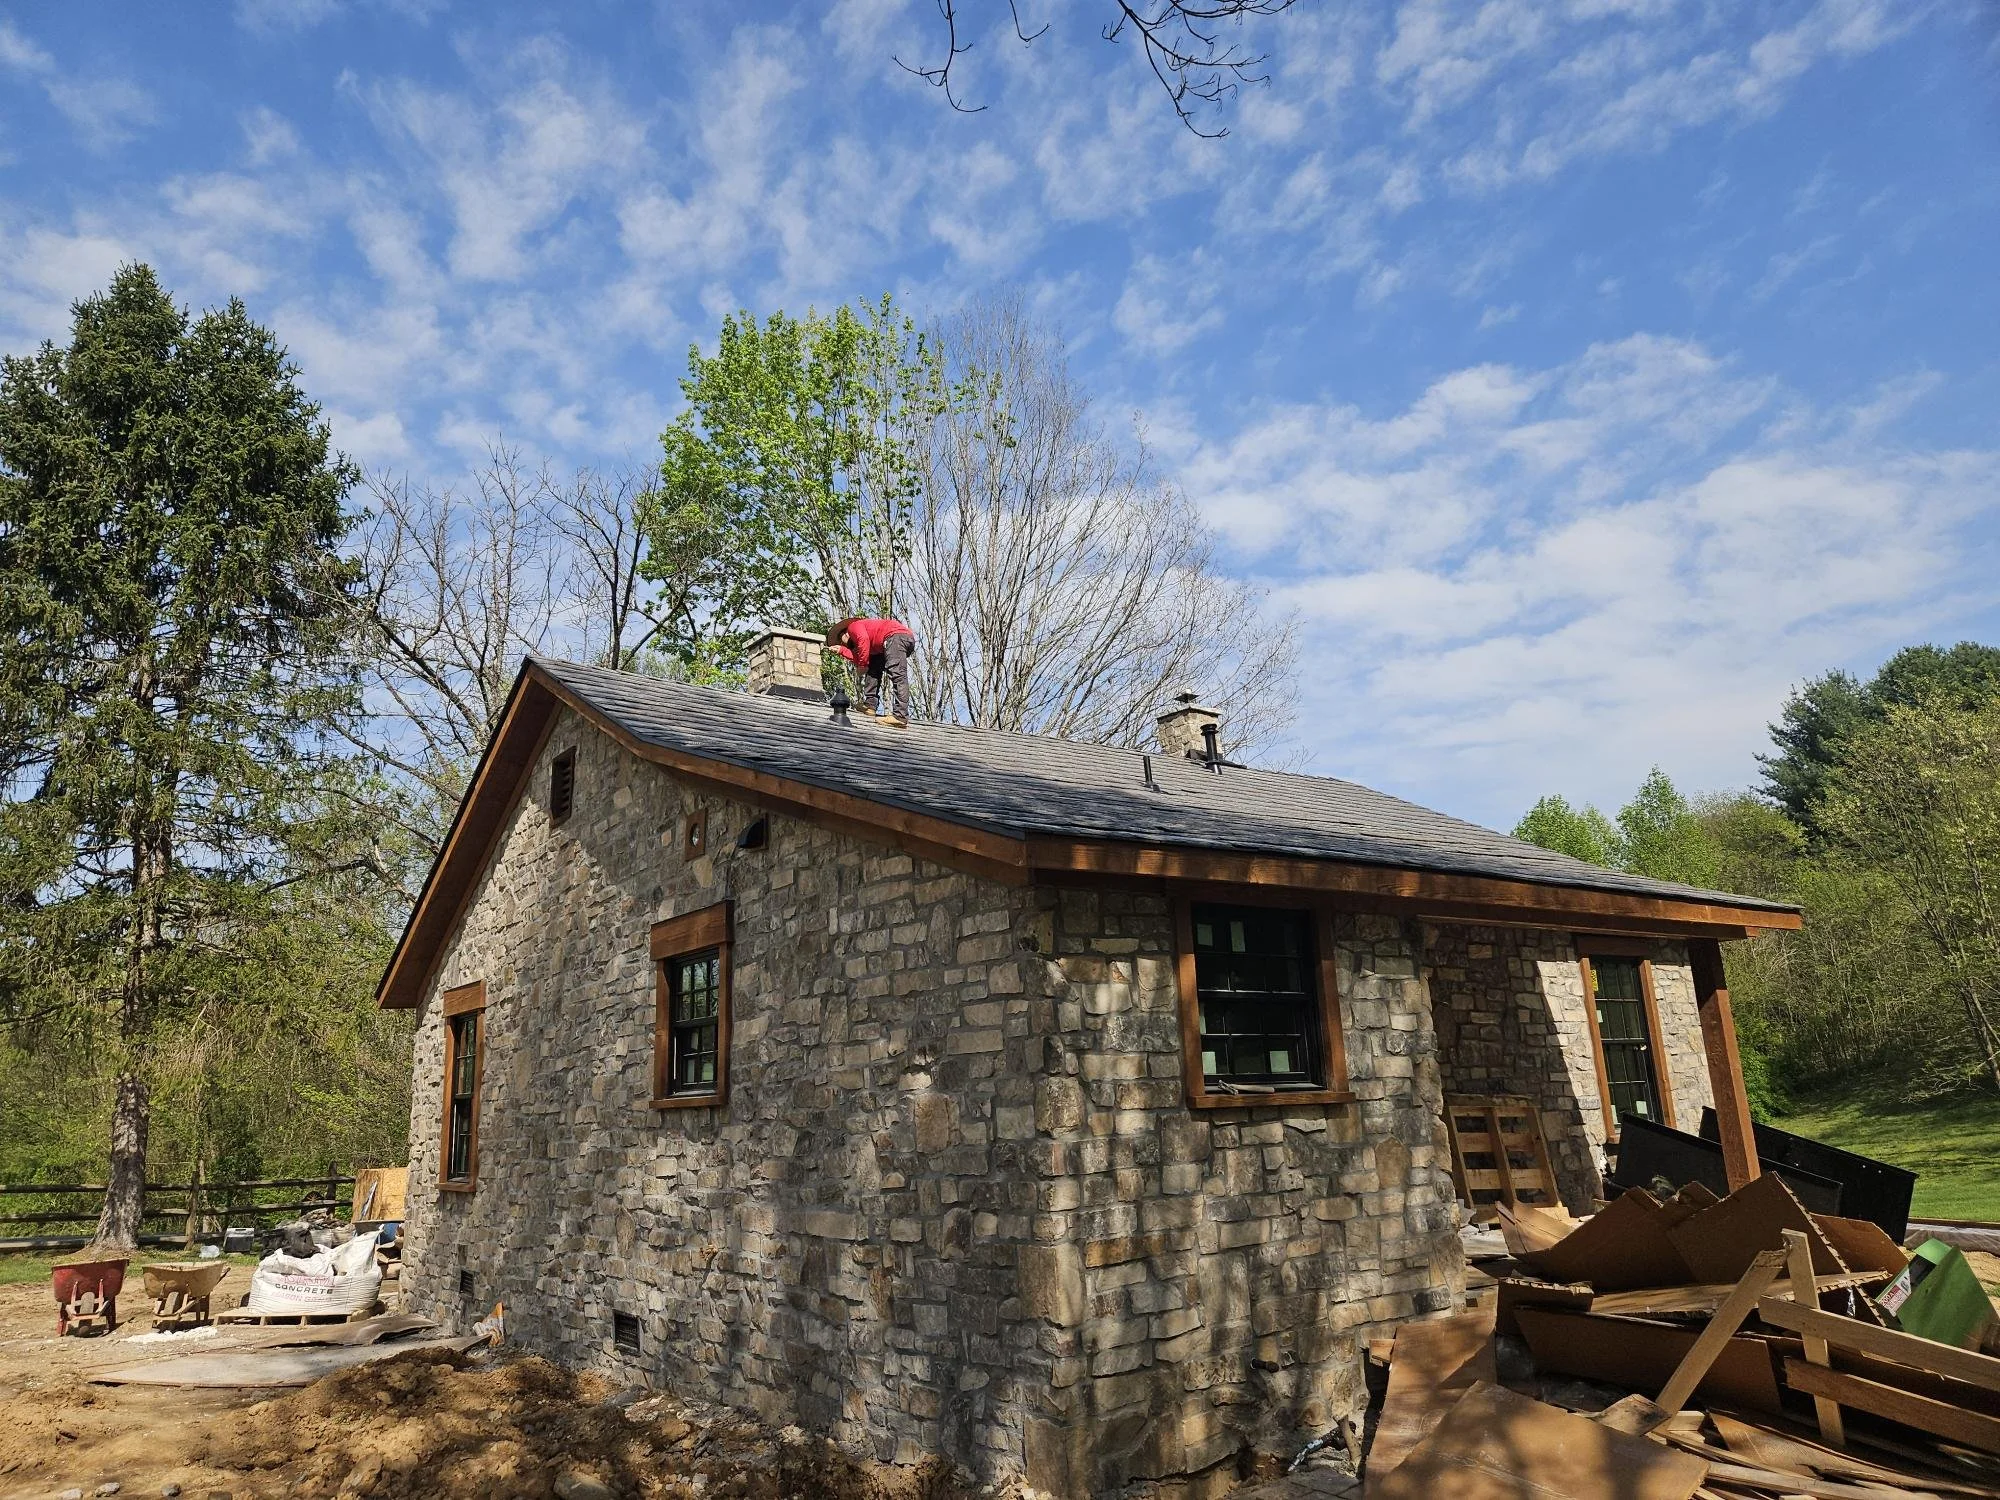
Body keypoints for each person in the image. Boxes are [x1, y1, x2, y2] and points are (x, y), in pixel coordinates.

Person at [826, 617, 916, 727]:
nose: (843, 645)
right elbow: (861, 656)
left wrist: (862, 666)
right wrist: (841, 650)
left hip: (896, 637)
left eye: (841, 642)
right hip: (891, 641)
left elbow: (863, 640)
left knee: (898, 675)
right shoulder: (868, 639)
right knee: (873, 665)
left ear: (844, 634)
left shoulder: (853, 626)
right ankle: (870, 705)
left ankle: (900, 715)